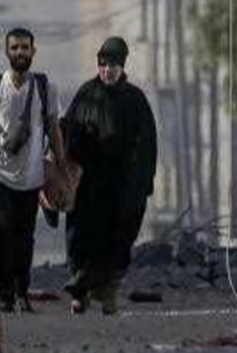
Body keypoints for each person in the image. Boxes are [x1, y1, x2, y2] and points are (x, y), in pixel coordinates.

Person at [0, 27, 66, 314]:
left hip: (31, 177)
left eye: (25, 47)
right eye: (15, 48)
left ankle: (23, 292)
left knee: (25, 237)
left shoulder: (47, 88)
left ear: (33, 52)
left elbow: (54, 130)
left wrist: (61, 169)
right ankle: (5, 295)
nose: (20, 52)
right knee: (2, 233)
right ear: (7, 52)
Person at [61, 36, 157, 315]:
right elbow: (69, 133)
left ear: (122, 67)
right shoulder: (86, 94)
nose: (106, 71)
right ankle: (79, 293)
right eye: (102, 65)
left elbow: (147, 144)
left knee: (118, 240)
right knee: (81, 238)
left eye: (112, 66)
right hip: (89, 186)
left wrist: (142, 183)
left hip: (122, 187)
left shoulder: (135, 100)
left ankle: (108, 292)